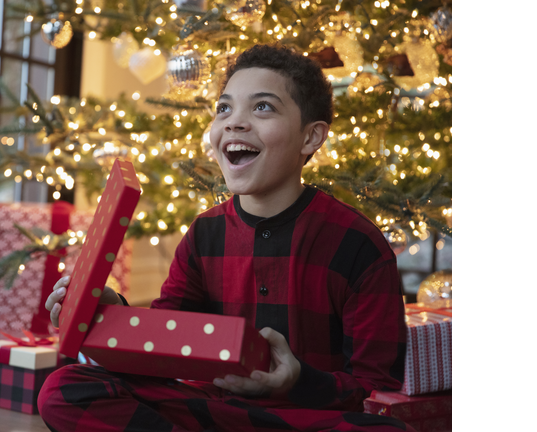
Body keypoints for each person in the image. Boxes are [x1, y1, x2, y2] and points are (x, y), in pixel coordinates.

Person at [37, 43, 413, 432]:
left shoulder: (359, 245)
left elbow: (373, 389)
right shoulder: (205, 234)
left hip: (308, 420)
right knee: (65, 390)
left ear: (311, 138)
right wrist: (110, 310)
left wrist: (297, 378)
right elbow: (164, 338)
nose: (235, 122)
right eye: (224, 108)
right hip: (214, 410)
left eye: (262, 107)